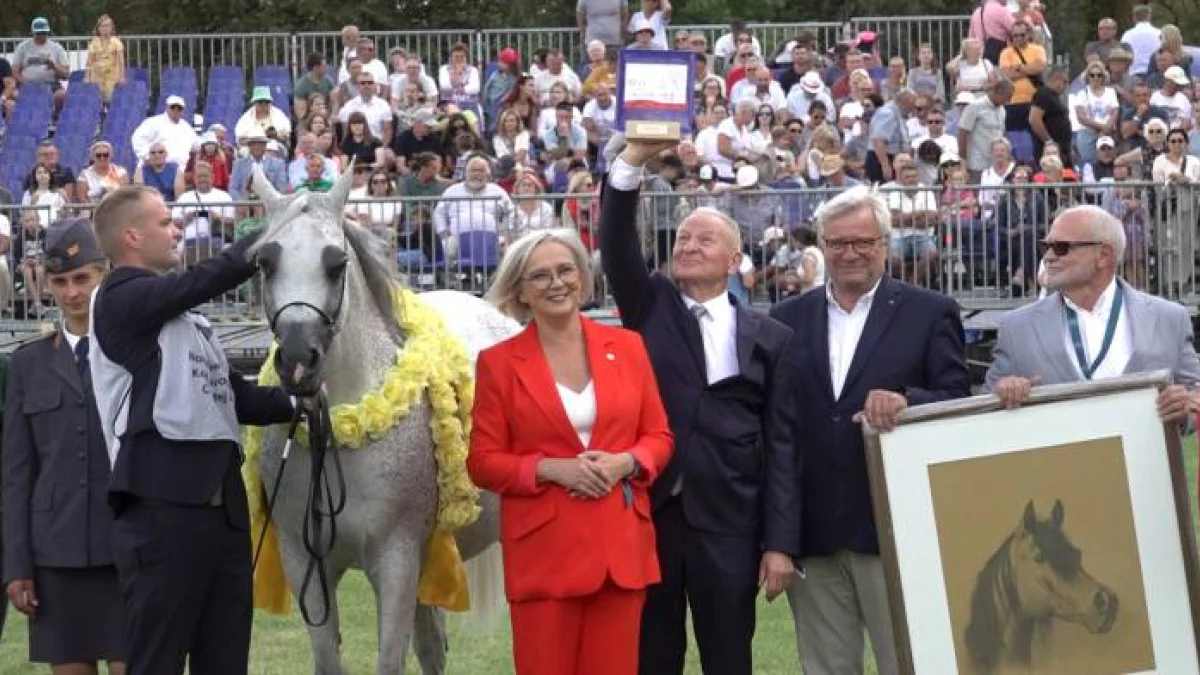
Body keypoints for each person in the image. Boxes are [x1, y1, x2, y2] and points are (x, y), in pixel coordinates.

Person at [599, 136, 800, 675]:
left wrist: (780, 544)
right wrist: (629, 164)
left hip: (731, 522)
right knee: (652, 657)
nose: (687, 245)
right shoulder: (651, 303)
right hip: (653, 514)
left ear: (734, 259)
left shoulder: (772, 337)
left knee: (729, 659)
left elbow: (781, 444)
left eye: (704, 239)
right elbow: (617, 245)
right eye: (683, 237)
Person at [87, 185, 301, 675]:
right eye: (165, 222)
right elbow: (201, 280)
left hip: (220, 514)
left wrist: (296, 402)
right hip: (161, 512)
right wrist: (270, 235)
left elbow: (236, 397)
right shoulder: (119, 296)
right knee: (157, 661)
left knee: (225, 661)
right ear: (132, 236)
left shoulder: (186, 320)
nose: (177, 228)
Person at [768, 185, 971, 675]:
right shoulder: (785, 319)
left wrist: (908, 402)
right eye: (837, 243)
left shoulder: (931, 311)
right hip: (814, 534)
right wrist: (779, 534)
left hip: (896, 528)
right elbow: (780, 434)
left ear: (885, 242)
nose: (850, 253)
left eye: (863, 241)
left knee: (910, 663)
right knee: (826, 667)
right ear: (821, 244)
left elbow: (959, 401)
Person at [468, 228, 673, 675]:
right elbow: (482, 462)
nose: (557, 283)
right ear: (521, 291)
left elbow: (659, 437)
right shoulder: (498, 364)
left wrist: (629, 461)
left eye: (565, 270)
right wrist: (549, 469)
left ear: (582, 276)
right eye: (540, 276)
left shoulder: (629, 347)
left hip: (620, 550)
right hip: (544, 554)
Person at [4, 219, 127, 675]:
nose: (72, 293)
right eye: (60, 282)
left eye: (82, 279)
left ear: (103, 276)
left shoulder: (132, 353)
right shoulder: (28, 364)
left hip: (126, 547)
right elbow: (18, 474)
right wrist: (17, 566)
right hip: (56, 554)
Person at [986, 205, 1199, 420]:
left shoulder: (1169, 318)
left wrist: (1185, 408)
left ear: (1104, 256)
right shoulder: (1016, 327)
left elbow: (1195, 395)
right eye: (1046, 247)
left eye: (1061, 247)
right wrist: (1003, 393)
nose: (1048, 257)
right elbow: (984, 409)